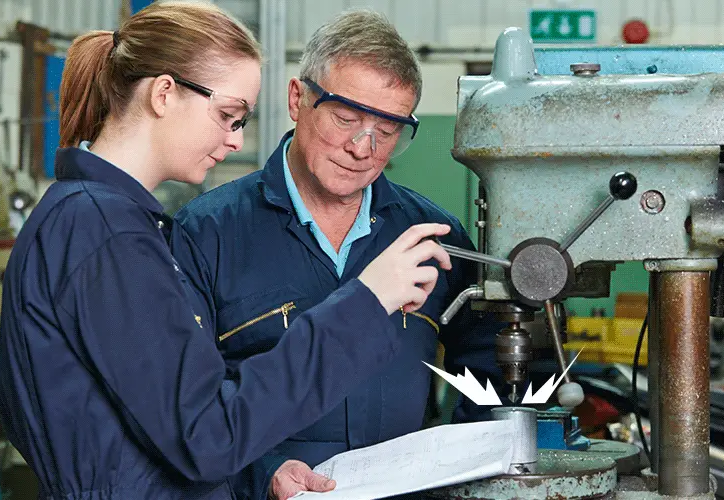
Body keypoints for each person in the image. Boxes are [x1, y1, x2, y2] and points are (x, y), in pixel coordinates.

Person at [0, 3, 454, 499]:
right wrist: (366, 302)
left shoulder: (101, 220)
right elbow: (209, 435)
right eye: (228, 115)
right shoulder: (107, 233)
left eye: (386, 132)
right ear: (164, 93)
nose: (236, 141)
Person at [170, 9, 503, 500]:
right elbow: (182, 411)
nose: (362, 147)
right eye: (346, 119)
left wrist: (463, 460)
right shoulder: (206, 235)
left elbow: (490, 364)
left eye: (387, 131)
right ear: (297, 99)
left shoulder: (431, 237)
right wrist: (261, 475)